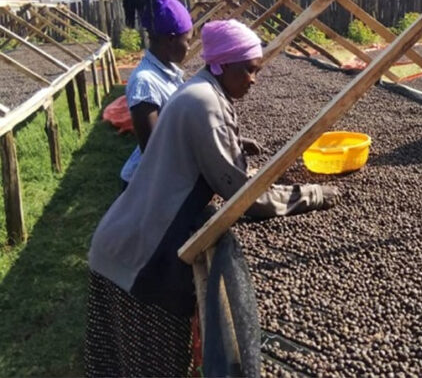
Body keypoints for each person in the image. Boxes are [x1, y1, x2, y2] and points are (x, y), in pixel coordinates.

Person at [85, 19, 340, 377]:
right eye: (248, 70)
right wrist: (313, 194)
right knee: (151, 368)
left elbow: (194, 148)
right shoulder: (206, 104)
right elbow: (245, 198)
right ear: (221, 65)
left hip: (119, 242)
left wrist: (234, 143)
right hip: (138, 261)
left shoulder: (197, 89)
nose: (254, 79)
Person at [119, 0, 193, 188]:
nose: (189, 47)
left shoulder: (168, 72)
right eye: (187, 41)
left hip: (164, 178)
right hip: (145, 188)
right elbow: (153, 151)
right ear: (170, 39)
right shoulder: (145, 82)